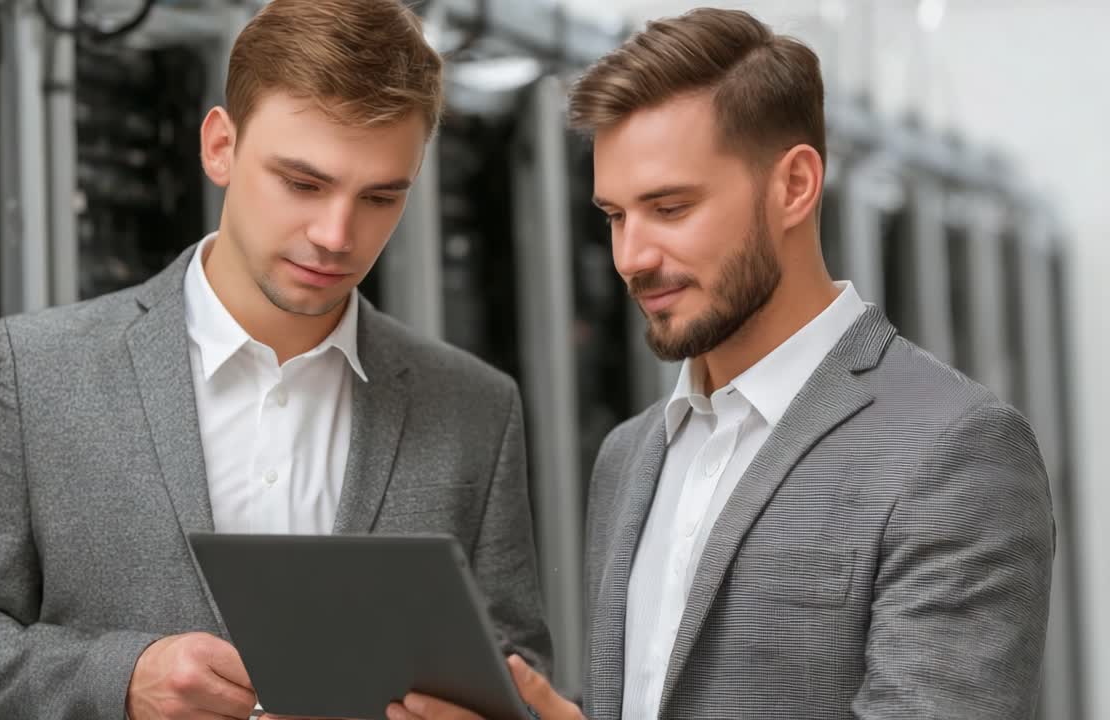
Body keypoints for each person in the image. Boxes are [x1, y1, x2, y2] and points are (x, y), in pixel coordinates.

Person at [390, 7, 1053, 720]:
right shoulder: (628, 455)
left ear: (794, 186)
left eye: (670, 208)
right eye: (615, 216)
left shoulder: (952, 450)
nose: (631, 258)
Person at [0, 1, 551, 718]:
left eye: (381, 197)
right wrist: (123, 678)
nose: (337, 235)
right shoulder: (44, 372)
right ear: (219, 147)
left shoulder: (476, 411)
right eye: (303, 183)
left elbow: (518, 680)